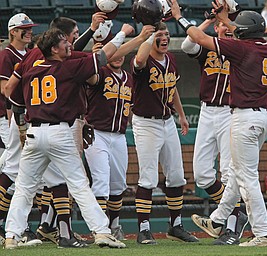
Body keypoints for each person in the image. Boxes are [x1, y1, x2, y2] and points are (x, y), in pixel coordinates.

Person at [3, 24, 153, 249]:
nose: (69, 45)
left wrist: (23, 130)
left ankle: (11, 236)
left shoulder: (31, 69)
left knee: (24, 187)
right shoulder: (68, 68)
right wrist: (124, 33)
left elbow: (15, 101)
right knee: (79, 184)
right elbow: (103, 56)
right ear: (54, 49)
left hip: (34, 132)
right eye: (64, 42)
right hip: (59, 132)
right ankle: (102, 232)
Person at [169, 0, 267, 246]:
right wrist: (226, 18)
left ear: (244, 32)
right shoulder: (266, 46)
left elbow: (198, 37)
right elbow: (254, 44)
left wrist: (179, 18)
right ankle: (218, 219)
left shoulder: (241, 49)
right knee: (237, 174)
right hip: (262, 117)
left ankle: (263, 233)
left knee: (246, 177)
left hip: (244, 118)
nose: (234, 28)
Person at [181, 15, 249, 245]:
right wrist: (208, 22)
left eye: (229, 27)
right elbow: (187, 45)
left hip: (230, 113)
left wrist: (228, 24)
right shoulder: (208, 47)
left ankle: (231, 225)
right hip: (207, 111)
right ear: (217, 28)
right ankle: (234, 212)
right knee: (202, 175)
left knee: (229, 172)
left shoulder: (240, 49)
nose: (226, 30)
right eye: (222, 26)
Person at [130, 21, 198, 244]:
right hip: (146, 123)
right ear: (151, 38)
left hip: (167, 121)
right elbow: (138, 61)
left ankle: (176, 225)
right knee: (148, 178)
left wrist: (181, 114)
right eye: (160, 34)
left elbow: (173, 88)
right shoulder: (145, 58)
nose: (165, 38)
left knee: (177, 175)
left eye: (167, 34)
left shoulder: (171, 59)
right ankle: (143, 229)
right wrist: (148, 36)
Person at [0, 12, 43, 248]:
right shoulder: (7, 55)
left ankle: (20, 227)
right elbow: (6, 90)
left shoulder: (30, 54)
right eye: (25, 28)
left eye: (30, 27)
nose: (29, 31)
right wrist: (18, 123)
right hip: (15, 117)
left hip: (32, 117)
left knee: (24, 174)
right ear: (13, 32)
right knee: (14, 167)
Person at [84, 49, 132, 241]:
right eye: (115, 52)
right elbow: (89, 77)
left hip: (119, 135)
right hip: (97, 133)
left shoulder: (128, 78)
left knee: (118, 184)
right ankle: (101, 228)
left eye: (122, 52)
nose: (119, 56)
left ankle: (114, 225)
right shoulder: (100, 73)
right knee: (101, 181)